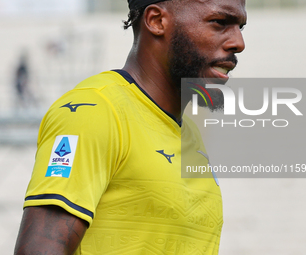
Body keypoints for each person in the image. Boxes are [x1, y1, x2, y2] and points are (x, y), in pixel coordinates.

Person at [14, 0, 246, 254]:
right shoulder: (94, 110)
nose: (239, 43)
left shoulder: (189, 131)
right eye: (220, 23)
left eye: (240, 27)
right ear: (157, 21)